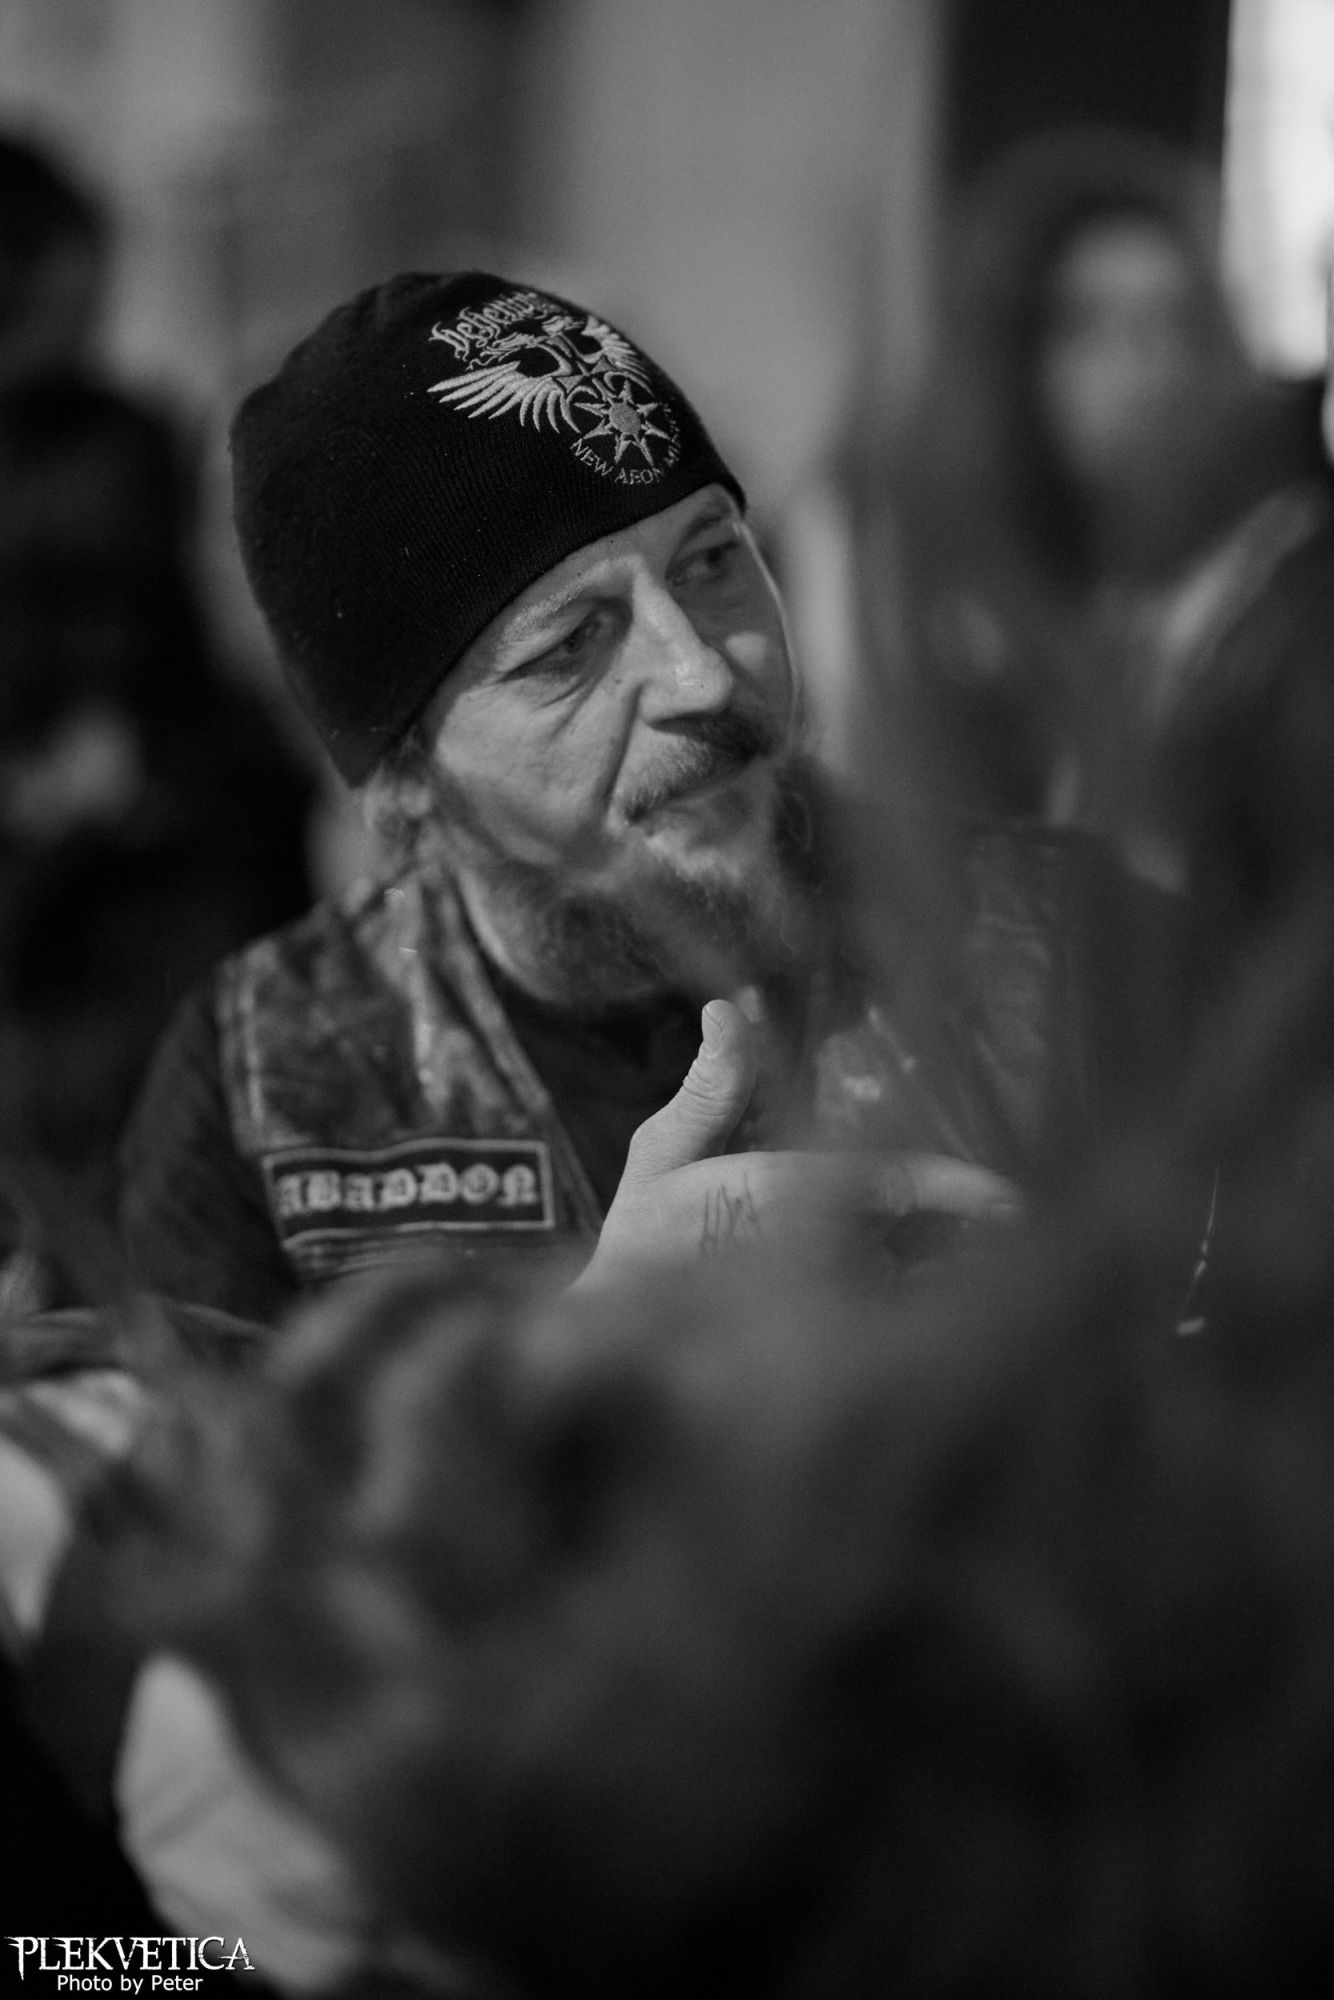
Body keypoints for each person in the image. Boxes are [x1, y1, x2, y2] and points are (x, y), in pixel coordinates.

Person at [118, 271, 1177, 1325]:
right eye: (571, 644)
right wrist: (591, 1348)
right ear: (404, 782)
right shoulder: (268, 1092)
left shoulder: (1093, 955)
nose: (701, 675)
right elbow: (219, 1444)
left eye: (710, 560)